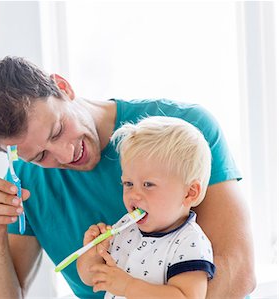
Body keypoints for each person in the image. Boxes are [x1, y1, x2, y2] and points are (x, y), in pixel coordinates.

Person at [0, 56, 255, 298]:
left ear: (63, 88)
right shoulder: (26, 183)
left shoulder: (184, 132)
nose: (65, 155)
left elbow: (238, 272)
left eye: (57, 130)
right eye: (40, 156)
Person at [77, 116, 215, 298]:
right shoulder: (125, 227)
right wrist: (92, 253)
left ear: (189, 193)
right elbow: (92, 278)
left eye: (148, 184)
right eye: (128, 183)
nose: (134, 194)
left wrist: (128, 287)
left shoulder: (189, 241)